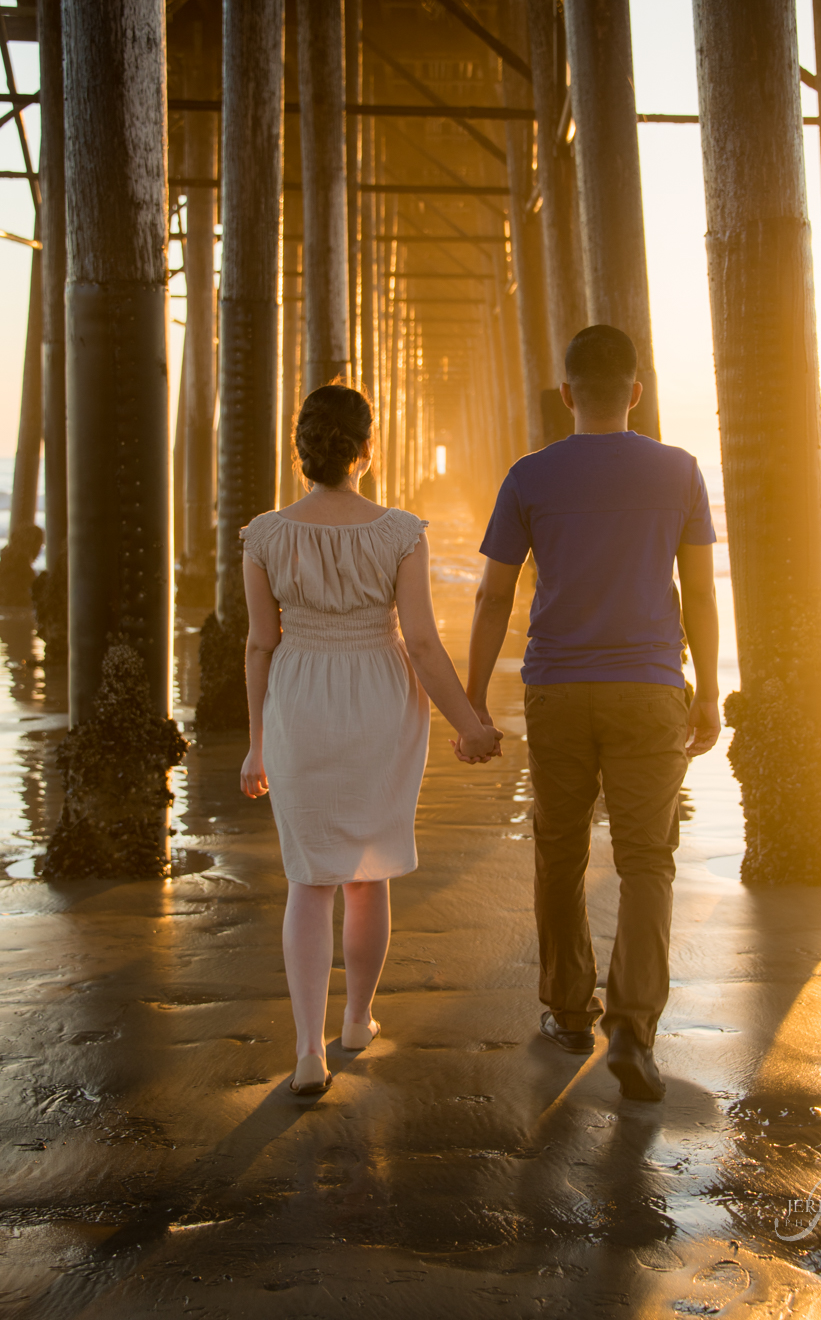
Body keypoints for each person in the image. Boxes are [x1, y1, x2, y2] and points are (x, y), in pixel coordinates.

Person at [463, 325, 720, 1101]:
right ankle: (634, 1028)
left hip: (558, 691)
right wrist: (707, 690)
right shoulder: (678, 470)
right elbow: (702, 592)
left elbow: (492, 594)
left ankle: (570, 1013)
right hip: (648, 689)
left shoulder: (529, 475)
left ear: (567, 393)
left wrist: (473, 699)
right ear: (635, 392)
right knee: (647, 860)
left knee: (560, 849)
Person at [240, 383, 501, 1097]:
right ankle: (355, 1020)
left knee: (308, 880)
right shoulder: (399, 533)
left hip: (299, 699)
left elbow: (261, 646)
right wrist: (469, 725)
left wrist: (256, 745)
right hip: (381, 699)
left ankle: (305, 1052)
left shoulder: (264, 535)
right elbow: (420, 641)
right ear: (367, 448)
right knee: (364, 874)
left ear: (302, 452)